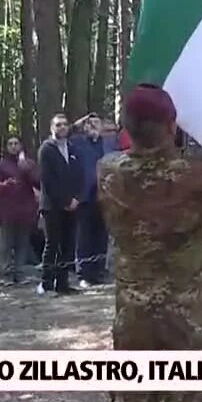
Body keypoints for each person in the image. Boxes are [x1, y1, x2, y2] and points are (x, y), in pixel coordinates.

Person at [99, 84, 202, 402]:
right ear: (171, 127)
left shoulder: (108, 170)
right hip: (188, 320)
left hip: (134, 314)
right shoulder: (198, 175)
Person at [38, 113, 84, 296]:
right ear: (52, 128)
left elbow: (79, 174)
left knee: (68, 245)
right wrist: (65, 200)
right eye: (58, 125)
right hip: (52, 206)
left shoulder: (73, 148)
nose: (62, 127)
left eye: (65, 124)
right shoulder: (46, 150)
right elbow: (48, 180)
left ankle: (63, 283)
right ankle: (46, 284)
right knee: (53, 244)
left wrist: (77, 198)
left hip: (72, 205)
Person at [72, 113, 118, 287]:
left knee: (101, 235)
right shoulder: (78, 143)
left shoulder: (110, 144)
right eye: (89, 124)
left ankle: (99, 271)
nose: (92, 127)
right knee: (84, 236)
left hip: (105, 196)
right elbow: (62, 133)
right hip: (85, 196)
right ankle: (84, 273)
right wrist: (79, 122)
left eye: (96, 123)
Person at [0, 137, 40, 284]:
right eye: (10, 144)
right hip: (8, 210)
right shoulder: (1, 165)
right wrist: (5, 185)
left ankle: (20, 273)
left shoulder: (29, 164)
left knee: (22, 243)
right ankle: (7, 274)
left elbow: (38, 182)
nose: (13, 147)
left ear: (21, 145)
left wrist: (25, 168)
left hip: (26, 209)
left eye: (16, 144)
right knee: (7, 244)